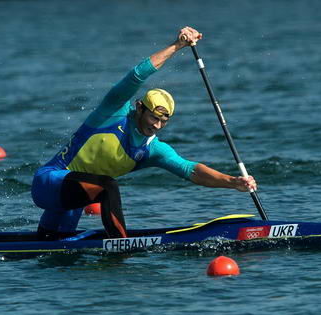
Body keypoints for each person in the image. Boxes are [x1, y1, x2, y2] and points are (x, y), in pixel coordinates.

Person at [31, 26, 257, 240]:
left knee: (52, 248)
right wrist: (177, 46)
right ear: (140, 107)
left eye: (163, 121)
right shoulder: (113, 111)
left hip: (74, 200)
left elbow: (190, 170)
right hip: (48, 182)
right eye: (153, 118)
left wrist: (233, 182)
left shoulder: (153, 149)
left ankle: (36, 243)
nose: (157, 125)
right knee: (108, 186)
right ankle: (121, 247)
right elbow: (136, 76)